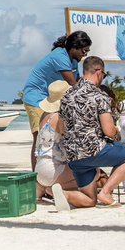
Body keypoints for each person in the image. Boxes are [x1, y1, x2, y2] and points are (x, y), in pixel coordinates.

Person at [56, 56, 125, 207]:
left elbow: (61, 128)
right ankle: (106, 192)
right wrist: (116, 135)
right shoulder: (99, 95)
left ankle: (63, 194)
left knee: (90, 201)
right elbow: (109, 131)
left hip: (73, 155)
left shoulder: (67, 96)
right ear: (99, 72)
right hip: (93, 150)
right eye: (104, 75)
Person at [22, 31, 89, 168]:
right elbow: (72, 83)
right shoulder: (60, 56)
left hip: (53, 99)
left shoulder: (74, 61)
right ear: (74, 47)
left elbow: (78, 83)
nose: (85, 54)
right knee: (40, 138)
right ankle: (37, 177)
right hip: (36, 98)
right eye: (84, 50)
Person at [33, 80, 96, 209]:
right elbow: (72, 140)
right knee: (93, 171)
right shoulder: (60, 117)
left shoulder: (44, 116)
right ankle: (58, 191)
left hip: (39, 169)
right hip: (55, 169)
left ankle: (43, 189)